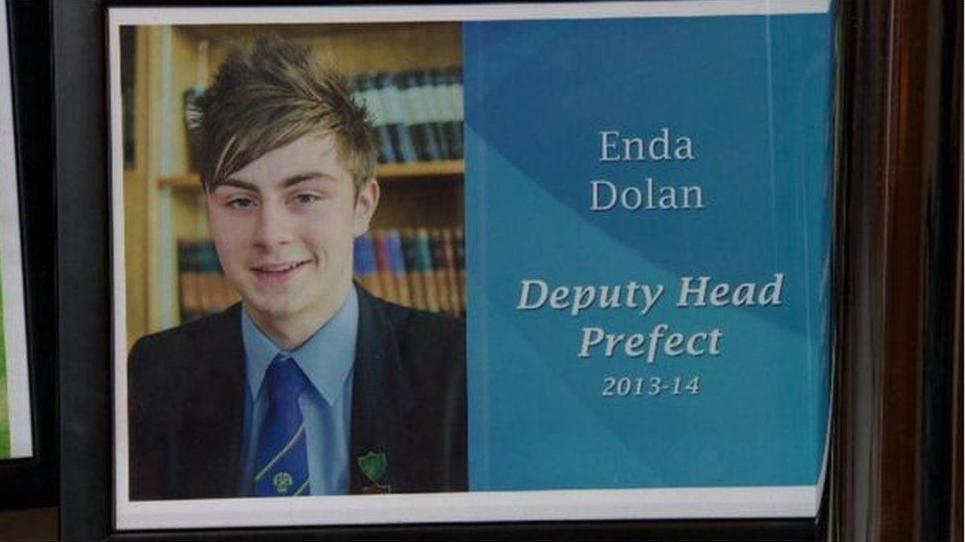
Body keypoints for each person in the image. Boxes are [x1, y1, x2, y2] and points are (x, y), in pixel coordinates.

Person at [128, 36, 466, 500]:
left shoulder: (459, 371)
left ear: (362, 206)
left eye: (304, 196)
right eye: (241, 201)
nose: (270, 234)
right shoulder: (156, 373)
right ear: (210, 209)